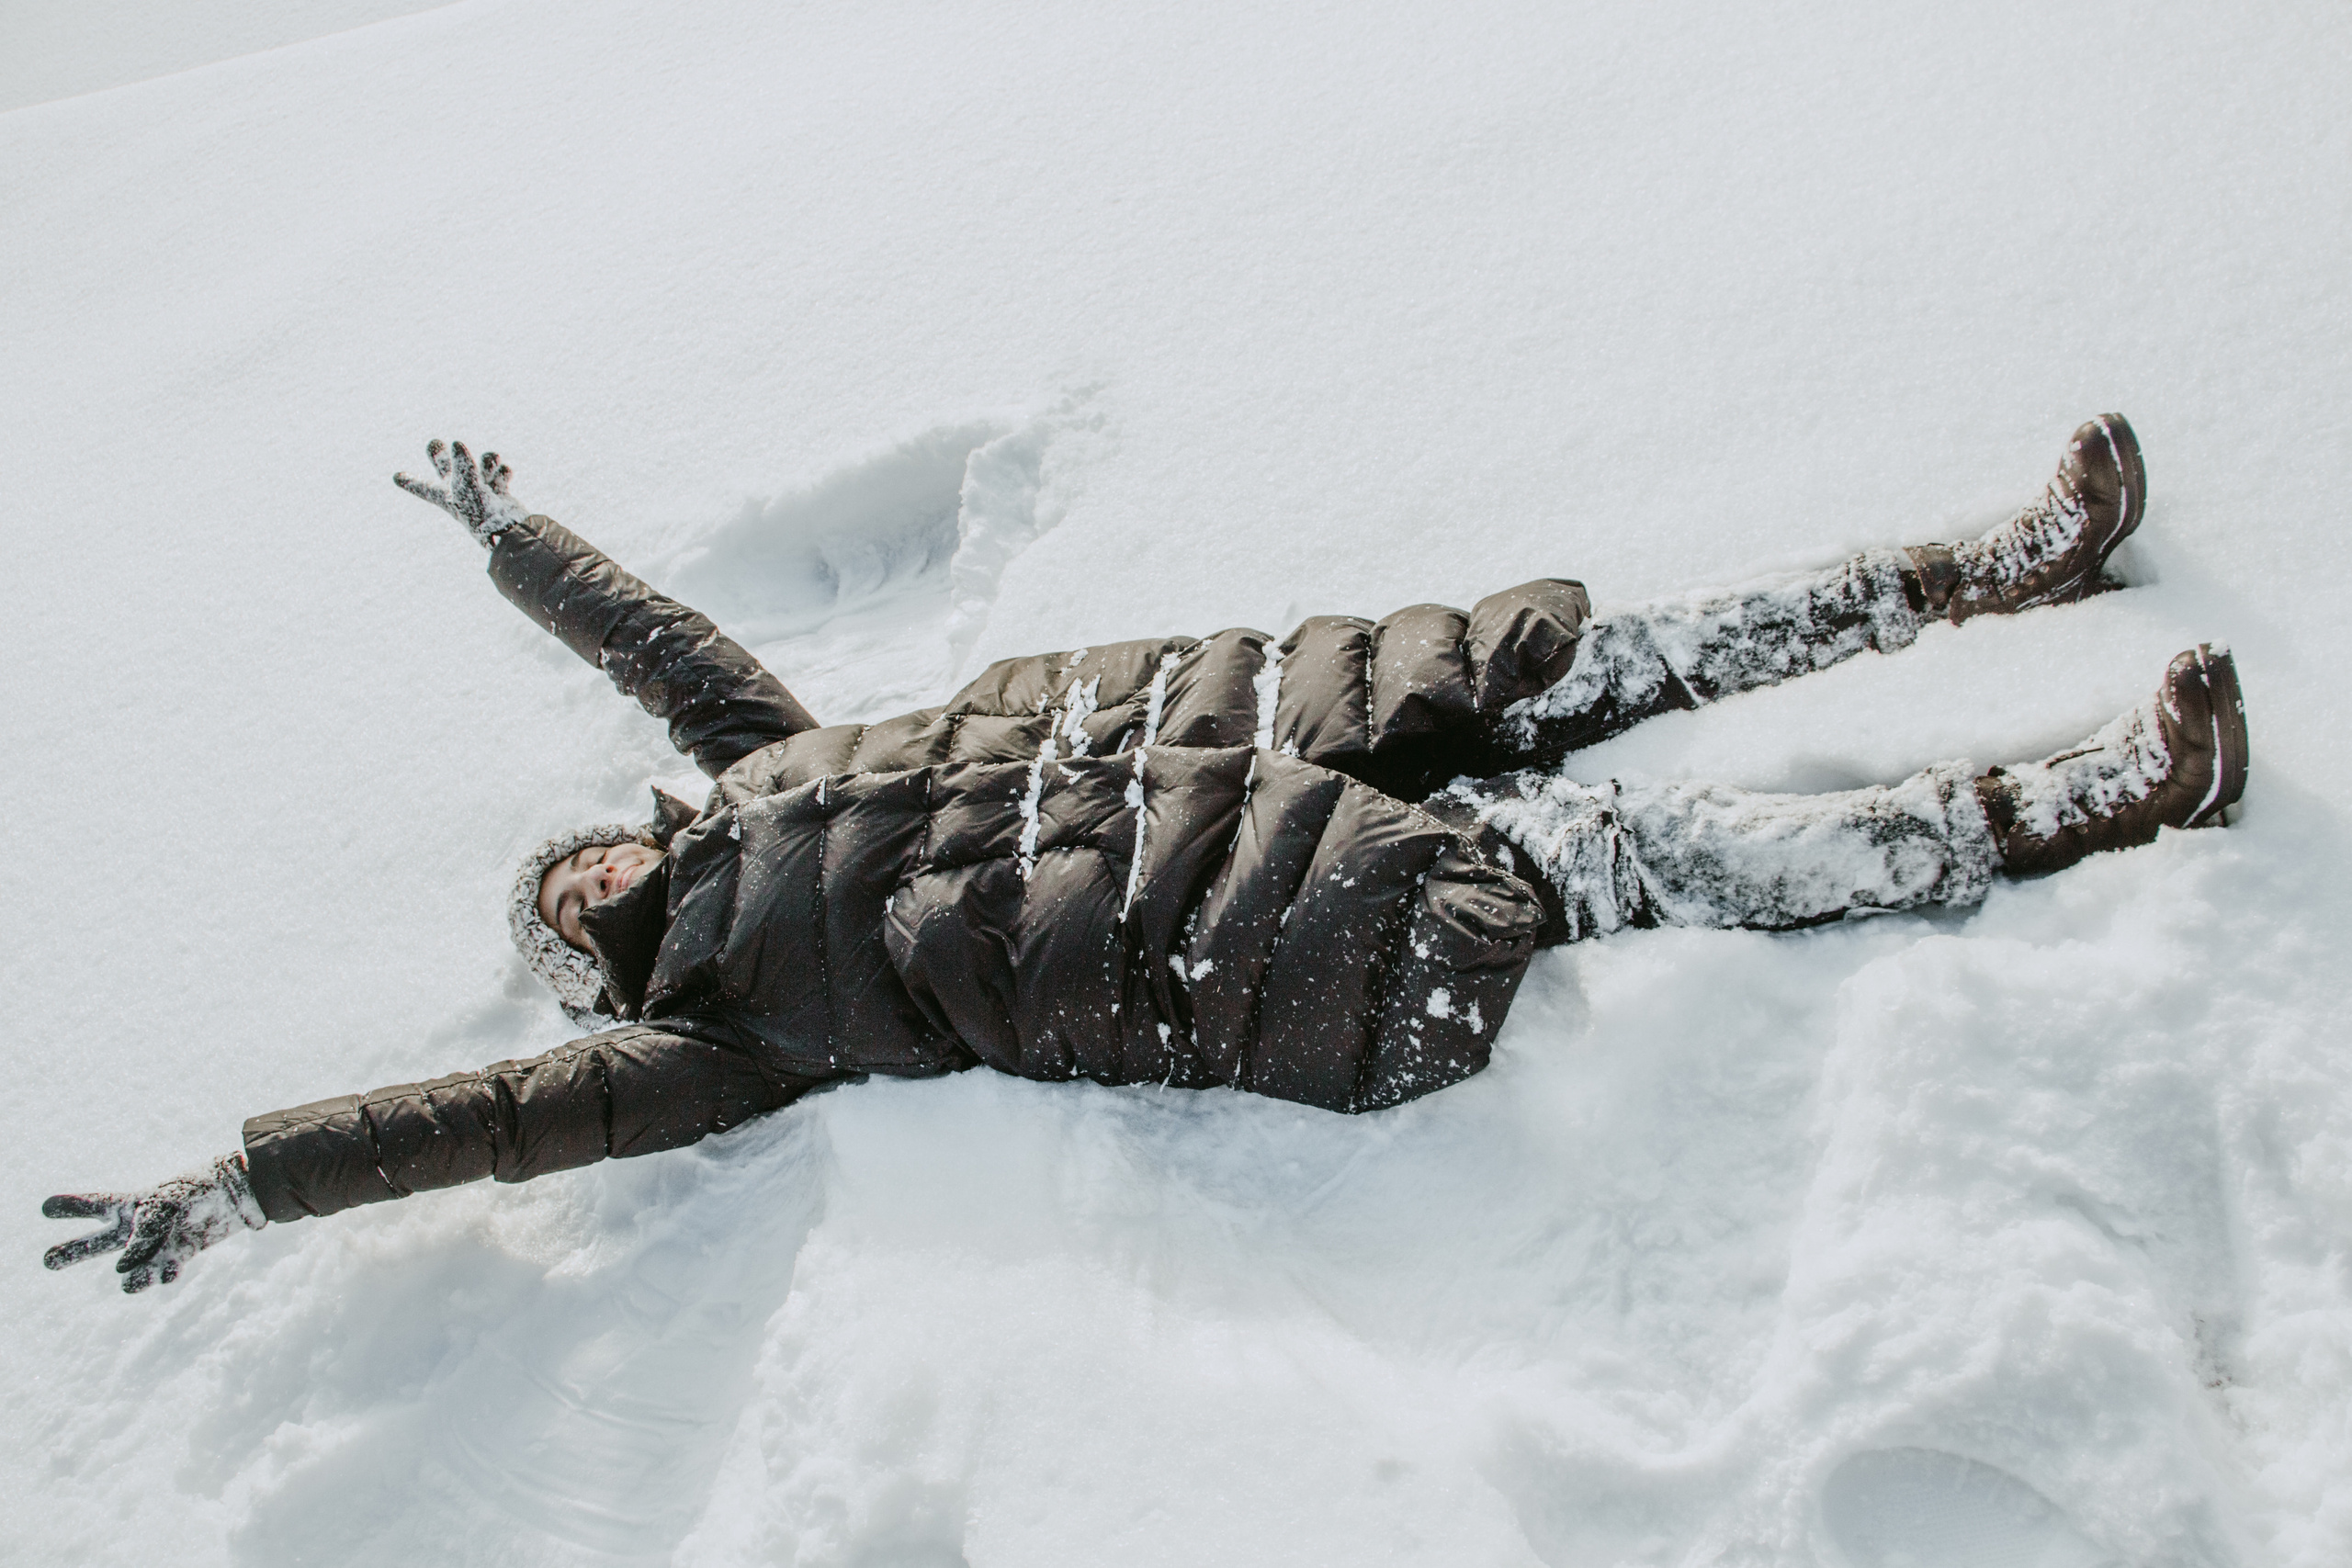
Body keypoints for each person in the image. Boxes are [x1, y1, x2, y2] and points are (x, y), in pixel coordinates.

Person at [41, 416, 2248, 1293]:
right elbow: (485, 1129)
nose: (582, 898)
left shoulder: (761, 767)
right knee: (1661, 853)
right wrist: (244, 1178)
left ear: (622, 839)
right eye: (563, 928)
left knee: (1627, 647)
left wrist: (522, 543)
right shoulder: (722, 1035)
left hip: (1282, 719)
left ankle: (1983, 563)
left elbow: (669, 650)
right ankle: (2063, 799)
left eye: (574, 870)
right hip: (1280, 911)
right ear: (597, 973)